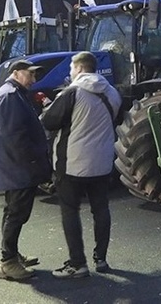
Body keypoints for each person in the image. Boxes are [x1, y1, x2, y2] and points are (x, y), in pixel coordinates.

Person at [41, 51, 122, 279]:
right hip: (102, 162)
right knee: (101, 209)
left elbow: (49, 121)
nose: (70, 72)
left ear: (78, 68)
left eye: (70, 69)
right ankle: (102, 259)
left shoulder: (72, 93)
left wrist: (49, 107)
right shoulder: (112, 94)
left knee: (70, 211)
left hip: (72, 165)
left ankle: (78, 263)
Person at [0, 59, 52, 281]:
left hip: (17, 167)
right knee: (16, 214)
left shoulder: (13, 94)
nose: (34, 80)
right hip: (18, 168)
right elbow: (14, 137)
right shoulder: (9, 96)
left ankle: (12, 256)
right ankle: (7, 263)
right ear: (16, 73)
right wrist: (32, 163)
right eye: (30, 75)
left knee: (13, 212)